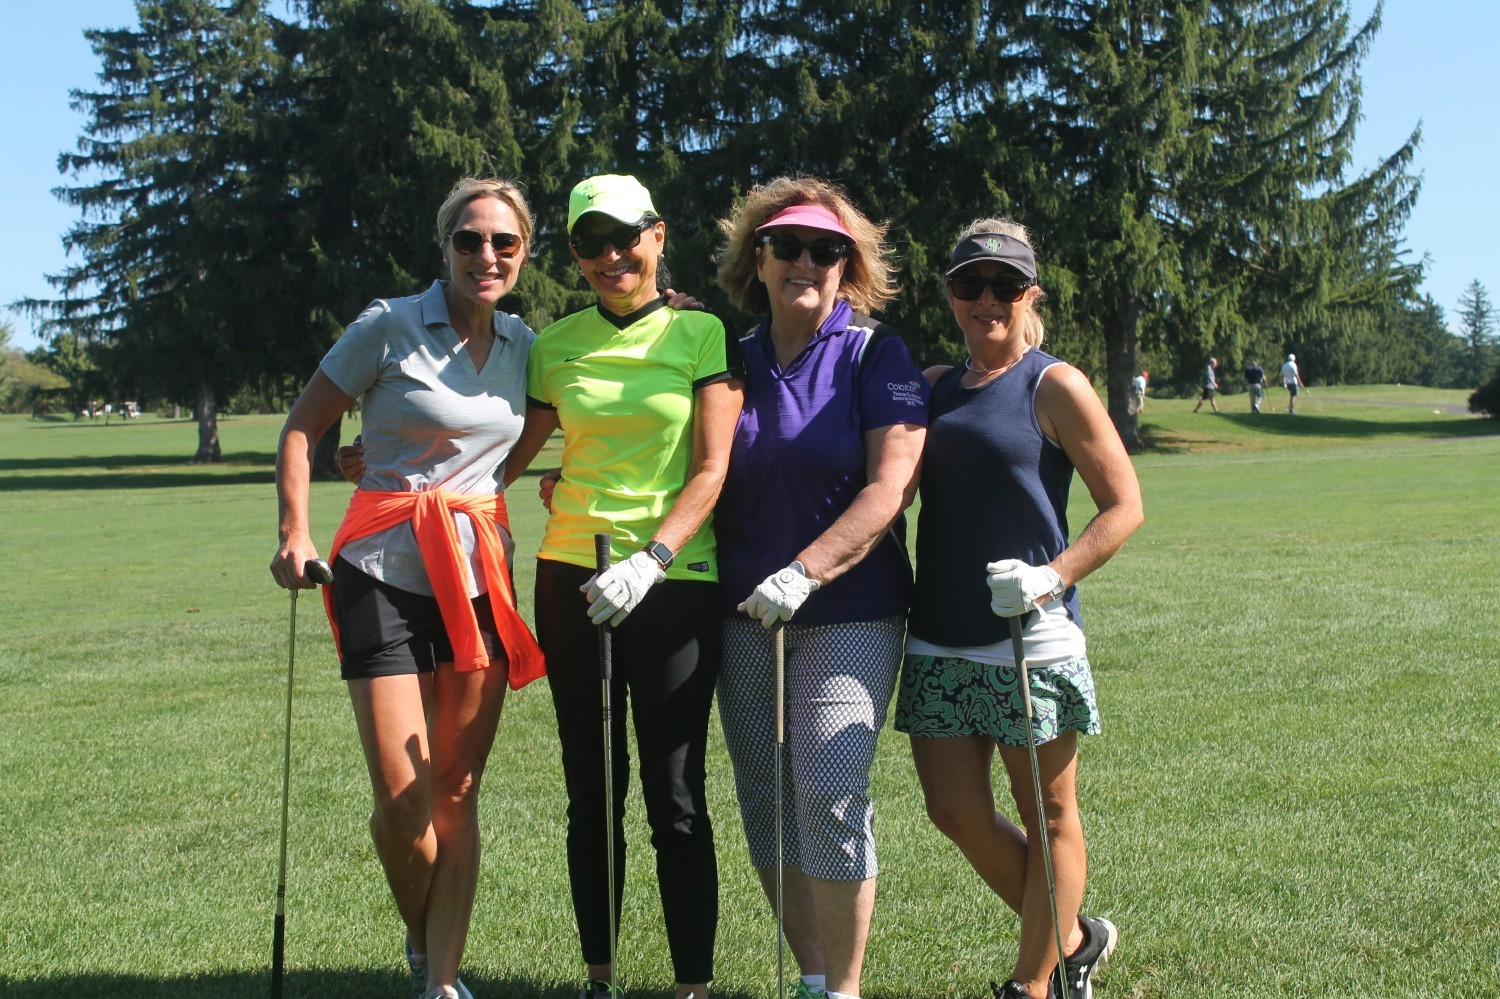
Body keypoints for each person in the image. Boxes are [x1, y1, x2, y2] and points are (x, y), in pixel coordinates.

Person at [269, 177, 548, 999]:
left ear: (524, 252)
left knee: (457, 787)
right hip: (381, 572)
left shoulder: (529, 344)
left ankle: (439, 978)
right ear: (446, 247)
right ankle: (423, 932)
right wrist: (294, 529)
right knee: (403, 798)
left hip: (478, 577)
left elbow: (554, 420)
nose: (485, 255)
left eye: (503, 242)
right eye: (469, 240)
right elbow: (301, 425)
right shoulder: (388, 324)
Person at [895, 219, 1143, 999]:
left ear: (1029, 293)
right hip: (938, 633)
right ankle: (1074, 938)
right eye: (970, 285)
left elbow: (1123, 505)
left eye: (1004, 286)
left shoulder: (1053, 383)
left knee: (1050, 813)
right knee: (954, 811)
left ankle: (1033, 985)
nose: (986, 301)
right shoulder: (931, 386)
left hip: (1029, 638)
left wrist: (1051, 575)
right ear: (951, 295)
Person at [513, 174, 743, 999]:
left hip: (673, 578)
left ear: (656, 234)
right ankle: (599, 979)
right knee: (592, 788)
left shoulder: (701, 334)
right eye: (589, 244)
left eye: (623, 238)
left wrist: (652, 554)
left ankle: (691, 986)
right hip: (573, 573)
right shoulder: (554, 345)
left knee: (675, 792)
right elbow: (504, 454)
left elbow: (713, 467)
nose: (610, 257)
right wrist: (389, 466)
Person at [711, 178, 928, 999]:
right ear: (757, 261)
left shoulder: (878, 354)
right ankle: (808, 976)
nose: (806, 261)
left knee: (830, 790)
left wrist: (804, 571)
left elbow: (891, 485)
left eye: (826, 249)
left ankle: (843, 989)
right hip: (742, 614)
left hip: (848, 608)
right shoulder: (727, 356)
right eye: (787, 246)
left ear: (849, 266)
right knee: (766, 799)